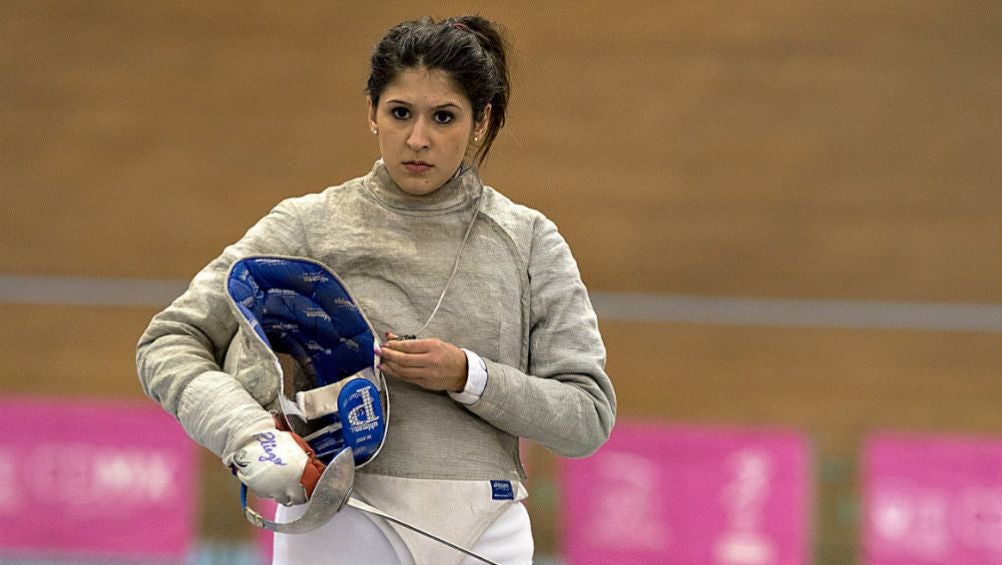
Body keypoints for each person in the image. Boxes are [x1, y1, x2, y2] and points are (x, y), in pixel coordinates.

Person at [137, 15, 616, 565]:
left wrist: (470, 375)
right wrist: (247, 435)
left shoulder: (528, 242)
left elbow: (586, 418)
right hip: (335, 521)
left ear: (480, 122)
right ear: (371, 112)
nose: (419, 139)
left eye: (444, 117)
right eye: (400, 113)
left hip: (485, 527)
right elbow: (169, 341)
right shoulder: (308, 226)